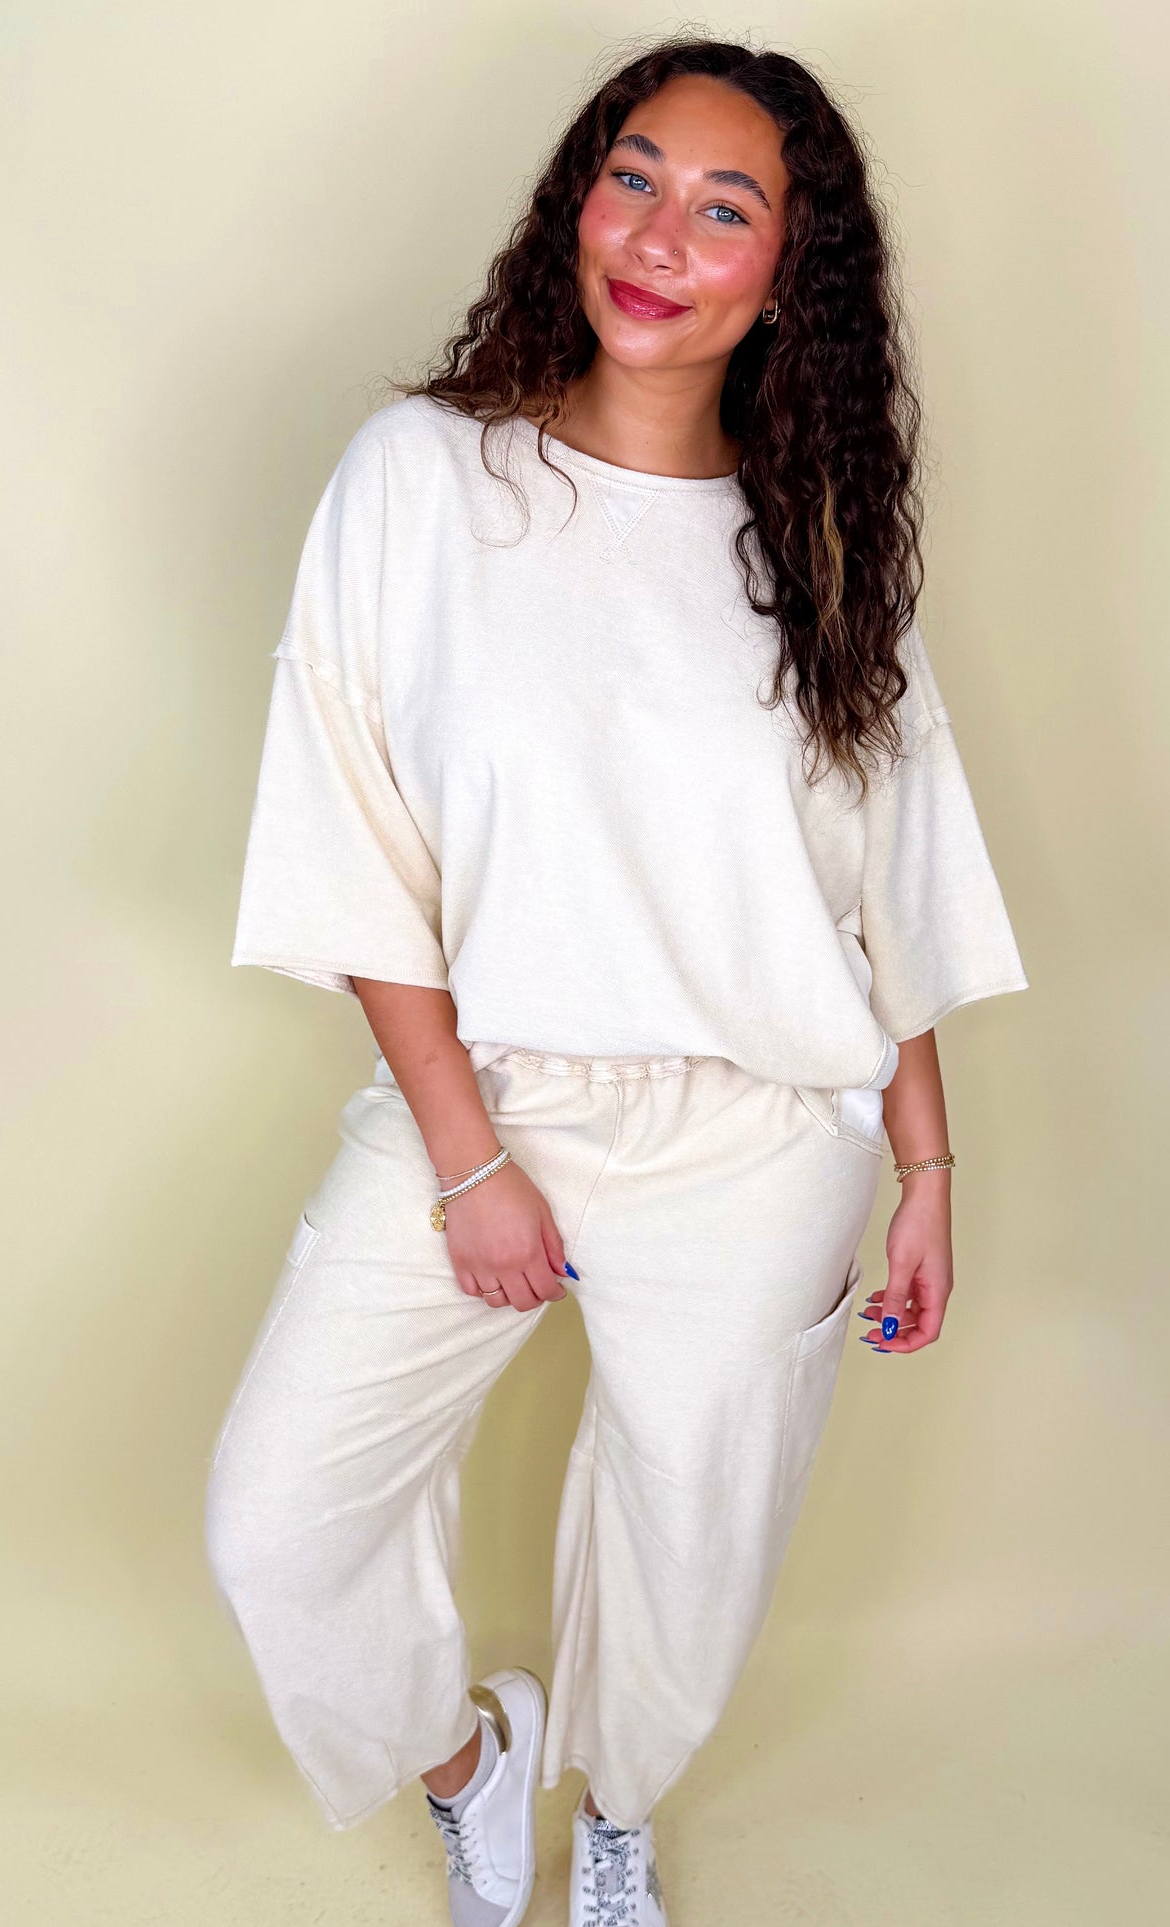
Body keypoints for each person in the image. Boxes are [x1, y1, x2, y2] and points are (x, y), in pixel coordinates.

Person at [205, 36, 1029, 1927]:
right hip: (490, 1095)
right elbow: (356, 845)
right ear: (575, 200)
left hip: (760, 1134)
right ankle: (468, 1765)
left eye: (725, 209)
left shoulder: (821, 558)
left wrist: (924, 1167)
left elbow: (881, 900)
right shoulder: (424, 480)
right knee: (279, 1524)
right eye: (633, 176)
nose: (659, 238)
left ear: (788, 275)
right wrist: (470, 1161)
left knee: (692, 1551)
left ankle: (620, 1821)